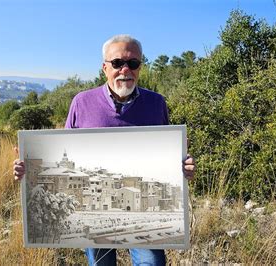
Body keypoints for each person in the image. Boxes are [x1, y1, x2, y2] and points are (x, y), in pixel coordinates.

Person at [13, 34, 195, 266]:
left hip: (145, 219)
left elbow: (168, 157)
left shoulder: (156, 103)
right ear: (104, 67)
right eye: (117, 63)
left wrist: (184, 167)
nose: (125, 69)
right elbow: (62, 154)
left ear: (140, 66)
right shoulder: (81, 102)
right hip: (92, 216)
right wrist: (27, 168)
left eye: (133, 63)